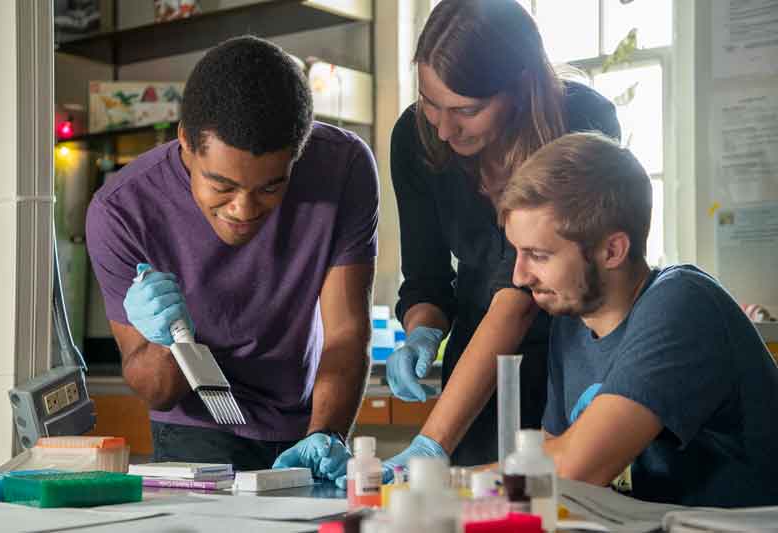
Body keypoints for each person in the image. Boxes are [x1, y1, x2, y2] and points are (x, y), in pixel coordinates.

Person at [86, 36, 378, 479]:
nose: (243, 209)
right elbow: (157, 391)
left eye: (269, 187)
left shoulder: (344, 168)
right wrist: (167, 341)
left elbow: (345, 334)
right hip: (195, 429)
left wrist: (327, 435)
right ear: (185, 141)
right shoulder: (122, 211)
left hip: (308, 422)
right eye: (221, 185)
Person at [383, 0, 620, 471]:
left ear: (520, 88)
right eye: (432, 103)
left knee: (563, 498)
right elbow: (426, 278)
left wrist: (432, 442)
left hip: (569, 359)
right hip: (474, 374)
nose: (445, 128)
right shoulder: (414, 138)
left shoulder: (581, 120)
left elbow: (520, 295)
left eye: (467, 110)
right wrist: (422, 331)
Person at [499, 131, 778, 507]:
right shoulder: (570, 318)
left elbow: (574, 468)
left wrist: (451, 483)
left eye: (538, 255)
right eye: (517, 251)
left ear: (612, 250)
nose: (519, 276)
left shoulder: (683, 302)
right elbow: (553, 460)